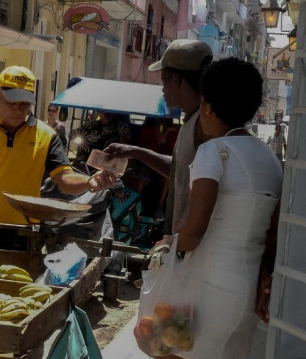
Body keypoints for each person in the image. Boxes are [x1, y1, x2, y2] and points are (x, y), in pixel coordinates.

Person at [157, 58, 282, 359]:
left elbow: (195, 230)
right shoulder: (270, 160)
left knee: (166, 352)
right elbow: (273, 236)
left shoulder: (213, 152)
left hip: (203, 292)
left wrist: (174, 245)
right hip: (246, 294)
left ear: (208, 107)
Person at [0, 65, 112, 251]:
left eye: (24, 103)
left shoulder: (47, 136)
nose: (18, 109)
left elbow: (64, 179)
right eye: (12, 102)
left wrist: (89, 181)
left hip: (22, 233)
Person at [103, 39, 213, 237]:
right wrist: (135, 152)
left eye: (163, 80)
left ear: (176, 80)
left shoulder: (205, 125)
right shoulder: (192, 121)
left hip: (192, 245)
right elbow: (180, 170)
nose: (162, 89)